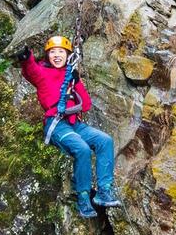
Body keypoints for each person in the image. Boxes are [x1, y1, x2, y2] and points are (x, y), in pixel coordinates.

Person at [17, 36, 121, 218]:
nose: (57, 55)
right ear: (47, 55)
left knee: (105, 140)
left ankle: (104, 191)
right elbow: (30, 70)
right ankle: (83, 198)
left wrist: (76, 83)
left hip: (75, 124)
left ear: (67, 54)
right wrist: (26, 57)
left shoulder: (70, 75)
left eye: (61, 52)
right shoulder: (41, 72)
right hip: (57, 125)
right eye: (52, 52)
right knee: (82, 149)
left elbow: (86, 104)